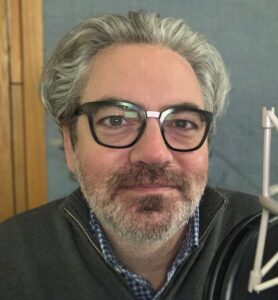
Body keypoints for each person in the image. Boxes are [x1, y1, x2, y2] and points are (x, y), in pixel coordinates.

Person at [0, 11, 260, 299]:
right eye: (116, 121)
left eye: (182, 123)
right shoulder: (9, 259)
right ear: (71, 143)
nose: (154, 153)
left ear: (206, 143)